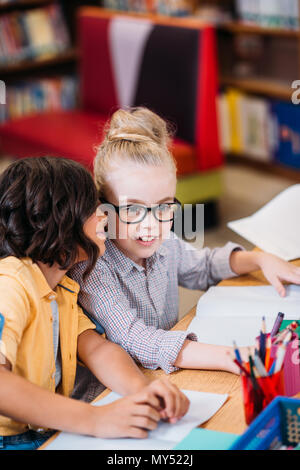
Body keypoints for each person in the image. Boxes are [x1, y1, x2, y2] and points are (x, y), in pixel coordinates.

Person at [69, 107, 300, 384]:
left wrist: (260, 260)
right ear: (102, 207)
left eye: (164, 206)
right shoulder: (92, 264)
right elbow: (134, 338)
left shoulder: (164, 242)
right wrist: (231, 357)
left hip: (168, 373)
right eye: (132, 209)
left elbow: (203, 266)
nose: (151, 225)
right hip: (119, 390)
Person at [0, 156, 189, 451]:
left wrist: (145, 391)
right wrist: (95, 419)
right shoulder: (10, 284)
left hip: (45, 434)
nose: (104, 215)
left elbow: (98, 349)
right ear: (59, 221)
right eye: (92, 208)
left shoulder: (61, 287)